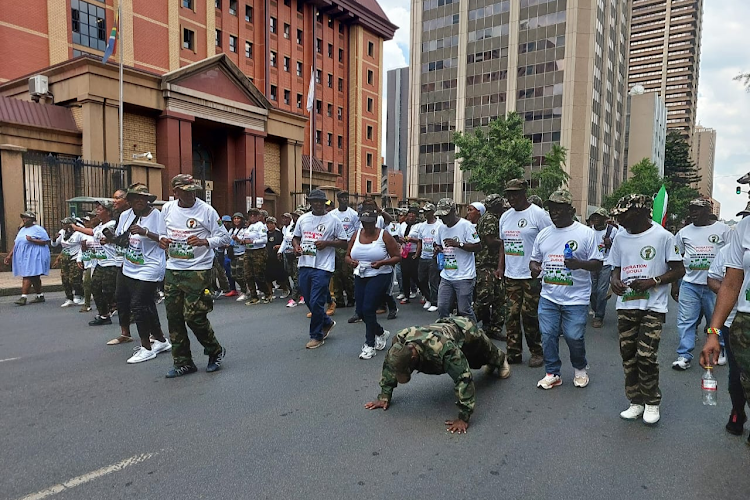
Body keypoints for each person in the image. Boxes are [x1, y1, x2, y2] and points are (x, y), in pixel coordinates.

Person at [609, 195, 684, 425]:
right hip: (626, 305)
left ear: (640, 213)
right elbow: (615, 268)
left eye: (624, 215)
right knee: (629, 356)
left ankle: (652, 403)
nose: (619, 220)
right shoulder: (620, 238)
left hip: (653, 306)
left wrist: (654, 280)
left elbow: (679, 269)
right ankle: (635, 401)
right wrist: (614, 281)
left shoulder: (663, 236)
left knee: (646, 356)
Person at [364, 317, 510, 434]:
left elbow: (463, 378)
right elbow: (391, 365)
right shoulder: (400, 342)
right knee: (475, 362)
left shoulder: (443, 350)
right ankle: (492, 362)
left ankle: (501, 360)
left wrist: (463, 418)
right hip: (441, 328)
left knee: (482, 356)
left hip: (465, 330)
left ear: (413, 359)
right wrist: (384, 396)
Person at [159, 174, 230, 378]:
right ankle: (183, 362)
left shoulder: (206, 210)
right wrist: (163, 240)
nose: (191, 195)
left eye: (193, 191)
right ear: (175, 192)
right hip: (173, 269)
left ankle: (215, 351)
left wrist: (204, 242)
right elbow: (163, 233)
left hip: (198, 269)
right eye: (186, 191)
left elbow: (224, 237)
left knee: (194, 316)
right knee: (174, 318)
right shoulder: (167, 209)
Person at [529, 190, 603, 390]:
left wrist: (579, 264)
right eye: (551, 209)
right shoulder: (543, 234)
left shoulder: (586, 233)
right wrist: (534, 267)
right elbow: (534, 260)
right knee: (547, 335)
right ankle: (553, 372)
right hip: (549, 296)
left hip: (576, 298)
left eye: (559, 209)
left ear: (571, 210)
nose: (554, 213)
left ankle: (580, 368)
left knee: (573, 336)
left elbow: (597, 263)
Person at [496, 178, 551, 367]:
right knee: (510, 314)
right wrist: (500, 267)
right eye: (509, 194)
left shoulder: (539, 215)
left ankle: (536, 351)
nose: (511, 198)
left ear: (524, 193)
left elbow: (550, 241)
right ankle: (513, 352)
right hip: (511, 274)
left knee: (529, 315)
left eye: (515, 194)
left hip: (531, 276)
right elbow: (503, 244)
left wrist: (544, 266)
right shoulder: (505, 217)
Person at [115, 183, 171, 363]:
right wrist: (109, 239)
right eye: (135, 197)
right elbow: (121, 239)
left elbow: (165, 239)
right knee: (146, 304)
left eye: (143, 197)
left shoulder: (156, 215)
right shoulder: (125, 215)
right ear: (129, 200)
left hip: (151, 266)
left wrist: (145, 232)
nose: (140, 200)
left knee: (138, 304)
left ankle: (146, 347)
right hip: (130, 266)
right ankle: (161, 340)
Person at [672, 199, 730, 370]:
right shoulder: (683, 233)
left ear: (708, 210)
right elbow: (677, 260)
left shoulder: (723, 230)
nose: (693, 213)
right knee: (686, 320)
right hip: (690, 284)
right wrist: (675, 284)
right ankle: (684, 355)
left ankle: (720, 349)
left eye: (697, 209)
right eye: (691, 209)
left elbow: (732, 255)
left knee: (716, 319)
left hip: (715, 285)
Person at [292, 189, 348, 349]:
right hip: (305, 264)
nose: (317, 204)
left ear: (325, 203)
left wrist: (327, 243)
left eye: (320, 202)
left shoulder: (334, 220)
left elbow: (344, 241)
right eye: (314, 201)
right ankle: (327, 322)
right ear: (310, 202)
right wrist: (296, 247)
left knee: (317, 300)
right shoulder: (303, 219)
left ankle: (316, 335)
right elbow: (296, 238)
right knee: (309, 300)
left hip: (323, 266)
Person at [706, 230, 748, 436]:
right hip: (739, 320)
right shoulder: (740, 235)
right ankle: (738, 411)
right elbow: (725, 283)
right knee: (738, 374)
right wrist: (713, 332)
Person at [345, 209, 401, 359]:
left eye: (370, 223)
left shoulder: (384, 235)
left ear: (375, 222)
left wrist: (383, 262)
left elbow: (397, 256)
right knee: (361, 312)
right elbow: (347, 255)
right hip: (360, 274)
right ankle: (381, 332)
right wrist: (351, 262)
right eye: (364, 223)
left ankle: (369, 345)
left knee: (369, 308)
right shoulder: (356, 234)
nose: (367, 226)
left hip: (380, 274)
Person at [433, 198, 481, 321]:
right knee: (442, 307)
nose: (443, 219)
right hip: (447, 275)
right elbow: (436, 243)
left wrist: (459, 244)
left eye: (445, 215)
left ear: (454, 211)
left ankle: (475, 335)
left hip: (464, 276)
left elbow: (477, 246)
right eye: (440, 216)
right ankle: (448, 333)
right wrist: (437, 248)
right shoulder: (441, 228)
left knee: (464, 310)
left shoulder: (466, 226)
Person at [475, 194, 507, 340]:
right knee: (485, 297)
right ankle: (467, 322)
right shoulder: (490, 218)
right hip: (487, 263)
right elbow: (490, 240)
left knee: (499, 298)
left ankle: (493, 328)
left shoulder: (491, 217)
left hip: (493, 263)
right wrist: (504, 242)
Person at [4, 211, 51, 306]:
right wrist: (10, 255)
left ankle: (23, 297)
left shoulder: (38, 229)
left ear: (32, 220)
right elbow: (17, 243)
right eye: (23, 218)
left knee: (27, 275)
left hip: (35, 256)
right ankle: (40, 295)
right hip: (24, 256)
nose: (24, 220)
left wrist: (32, 240)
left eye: (26, 218)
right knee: (34, 276)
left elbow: (46, 242)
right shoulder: (22, 230)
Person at [87, 200, 119, 326]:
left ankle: (127, 310)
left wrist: (110, 239)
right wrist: (76, 227)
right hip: (101, 262)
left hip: (112, 262)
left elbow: (116, 238)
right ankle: (104, 315)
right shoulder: (99, 226)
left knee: (110, 290)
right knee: (95, 286)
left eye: (100, 209)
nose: (97, 212)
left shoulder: (112, 224)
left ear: (108, 212)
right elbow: (91, 233)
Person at [587, 208, 617, 328]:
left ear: (605, 219)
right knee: (592, 290)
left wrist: (611, 243)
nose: (595, 219)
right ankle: (595, 308)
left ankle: (599, 316)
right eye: (594, 216)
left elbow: (618, 247)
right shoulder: (589, 231)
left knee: (601, 290)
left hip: (606, 263)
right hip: (592, 263)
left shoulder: (613, 231)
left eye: (598, 217)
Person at [331, 191, 359, 308]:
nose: (344, 200)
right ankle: (339, 299)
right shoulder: (332, 214)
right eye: (342, 198)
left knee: (347, 274)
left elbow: (357, 231)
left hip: (348, 246)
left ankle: (351, 297)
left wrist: (351, 245)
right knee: (336, 274)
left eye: (346, 198)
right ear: (338, 199)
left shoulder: (353, 214)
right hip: (336, 246)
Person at [241, 208, 273, 305]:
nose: (252, 217)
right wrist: (243, 241)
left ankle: (267, 293)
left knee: (258, 274)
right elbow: (246, 237)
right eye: (250, 215)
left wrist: (253, 242)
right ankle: (254, 296)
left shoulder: (260, 226)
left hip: (258, 252)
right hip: (248, 251)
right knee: (248, 275)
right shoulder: (249, 227)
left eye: (254, 215)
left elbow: (264, 240)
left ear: (258, 216)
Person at [414, 203, 442, 313]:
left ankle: (435, 302)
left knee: (433, 280)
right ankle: (428, 298)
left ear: (433, 212)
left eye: (427, 211)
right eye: (424, 212)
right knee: (421, 279)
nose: (425, 214)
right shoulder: (422, 226)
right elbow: (420, 241)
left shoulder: (439, 225)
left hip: (433, 257)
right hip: (423, 256)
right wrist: (418, 253)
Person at [52, 217, 85, 307]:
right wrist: (54, 239)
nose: (63, 225)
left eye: (65, 224)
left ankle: (80, 295)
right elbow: (55, 244)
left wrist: (80, 259)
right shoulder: (62, 232)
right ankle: (69, 297)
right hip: (65, 258)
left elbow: (83, 245)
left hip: (75, 257)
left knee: (75, 278)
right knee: (65, 278)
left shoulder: (78, 234)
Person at [279, 209, 304, 307]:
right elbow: (285, 240)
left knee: (297, 276)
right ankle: (301, 293)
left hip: (298, 254)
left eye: (297, 216)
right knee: (291, 274)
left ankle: (294, 298)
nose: (295, 218)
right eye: (294, 216)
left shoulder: (303, 226)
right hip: (288, 253)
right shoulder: (289, 227)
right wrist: (280, 251)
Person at [77, 215, 97, 313]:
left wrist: (89, 246)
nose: (86, 223)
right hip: (88, 262)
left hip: (98, 263)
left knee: (90, 283)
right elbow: (82, 249)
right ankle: (87, 304)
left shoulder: (97, 232)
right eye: (84, 221)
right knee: (87, 283)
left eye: (87, 221)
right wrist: (79, 259)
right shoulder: (83, 234)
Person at [265, 217, 290, 297]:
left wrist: (279, 247)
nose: (269, 225)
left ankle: (285, 290)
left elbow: (284, 243)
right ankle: (270, 293)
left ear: (274, 224)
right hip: (268, 257)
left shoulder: (279, 234)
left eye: (271, 223)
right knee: (267, 276)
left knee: (280, 276)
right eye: (267, 223)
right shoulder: (265, 234)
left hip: (277, 257)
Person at [228, 212, 249, 301]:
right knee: (233, 274)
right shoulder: (231, 230)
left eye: (238, 218)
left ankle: (244, 291)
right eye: (235, 218)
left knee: (240, 272)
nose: (236, 220)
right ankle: (245, 289)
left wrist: (238, 240)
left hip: (242, 253)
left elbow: (247, 241)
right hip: (234, 254)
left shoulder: (245, 230)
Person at [219, 215, 236, 296]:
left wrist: (227, 245)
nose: (225, 224)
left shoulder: (234, 230)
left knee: (238, 272)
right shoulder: (221, 231)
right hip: (226, 253)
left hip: (235, 253)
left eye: (227, 222)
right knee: (228, 272)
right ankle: (232, 289)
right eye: (224, 222)